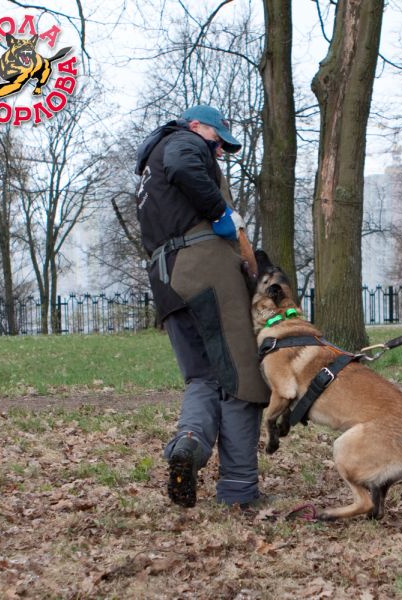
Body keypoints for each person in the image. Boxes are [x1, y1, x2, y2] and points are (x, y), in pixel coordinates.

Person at [135, 104, 270, 509]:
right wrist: (221, 212)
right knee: (241, 377)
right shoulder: (182, 141)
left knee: (203, 378)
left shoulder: (149, 171)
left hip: (167, 278)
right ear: (196, 126)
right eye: (217, 140)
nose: (219, 151)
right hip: (206, 270)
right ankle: (239, 488)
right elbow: (183, 164)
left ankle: (190, 444)